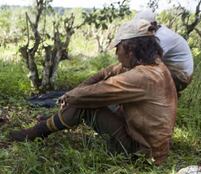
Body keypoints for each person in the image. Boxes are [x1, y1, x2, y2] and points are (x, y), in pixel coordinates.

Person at [10, 19, 177, 165]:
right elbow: (105, 74)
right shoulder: (153, 66)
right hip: (147, 144)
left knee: (86, 103)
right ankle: (51, 122)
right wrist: (76, 91)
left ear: (130, 50)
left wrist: (69, 97)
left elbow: (95, 92)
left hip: (142, 153)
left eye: (117, 48)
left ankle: (39, 131)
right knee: (82, 97)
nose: (116, 53)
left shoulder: (143, 76)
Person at [134, 9, 194, 94]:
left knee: (141, 76)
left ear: (154, 24)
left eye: (145, 28)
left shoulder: (162, 37)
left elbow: (146, 61)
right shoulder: (155, 33)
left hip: (180, 76)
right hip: (172, 70)